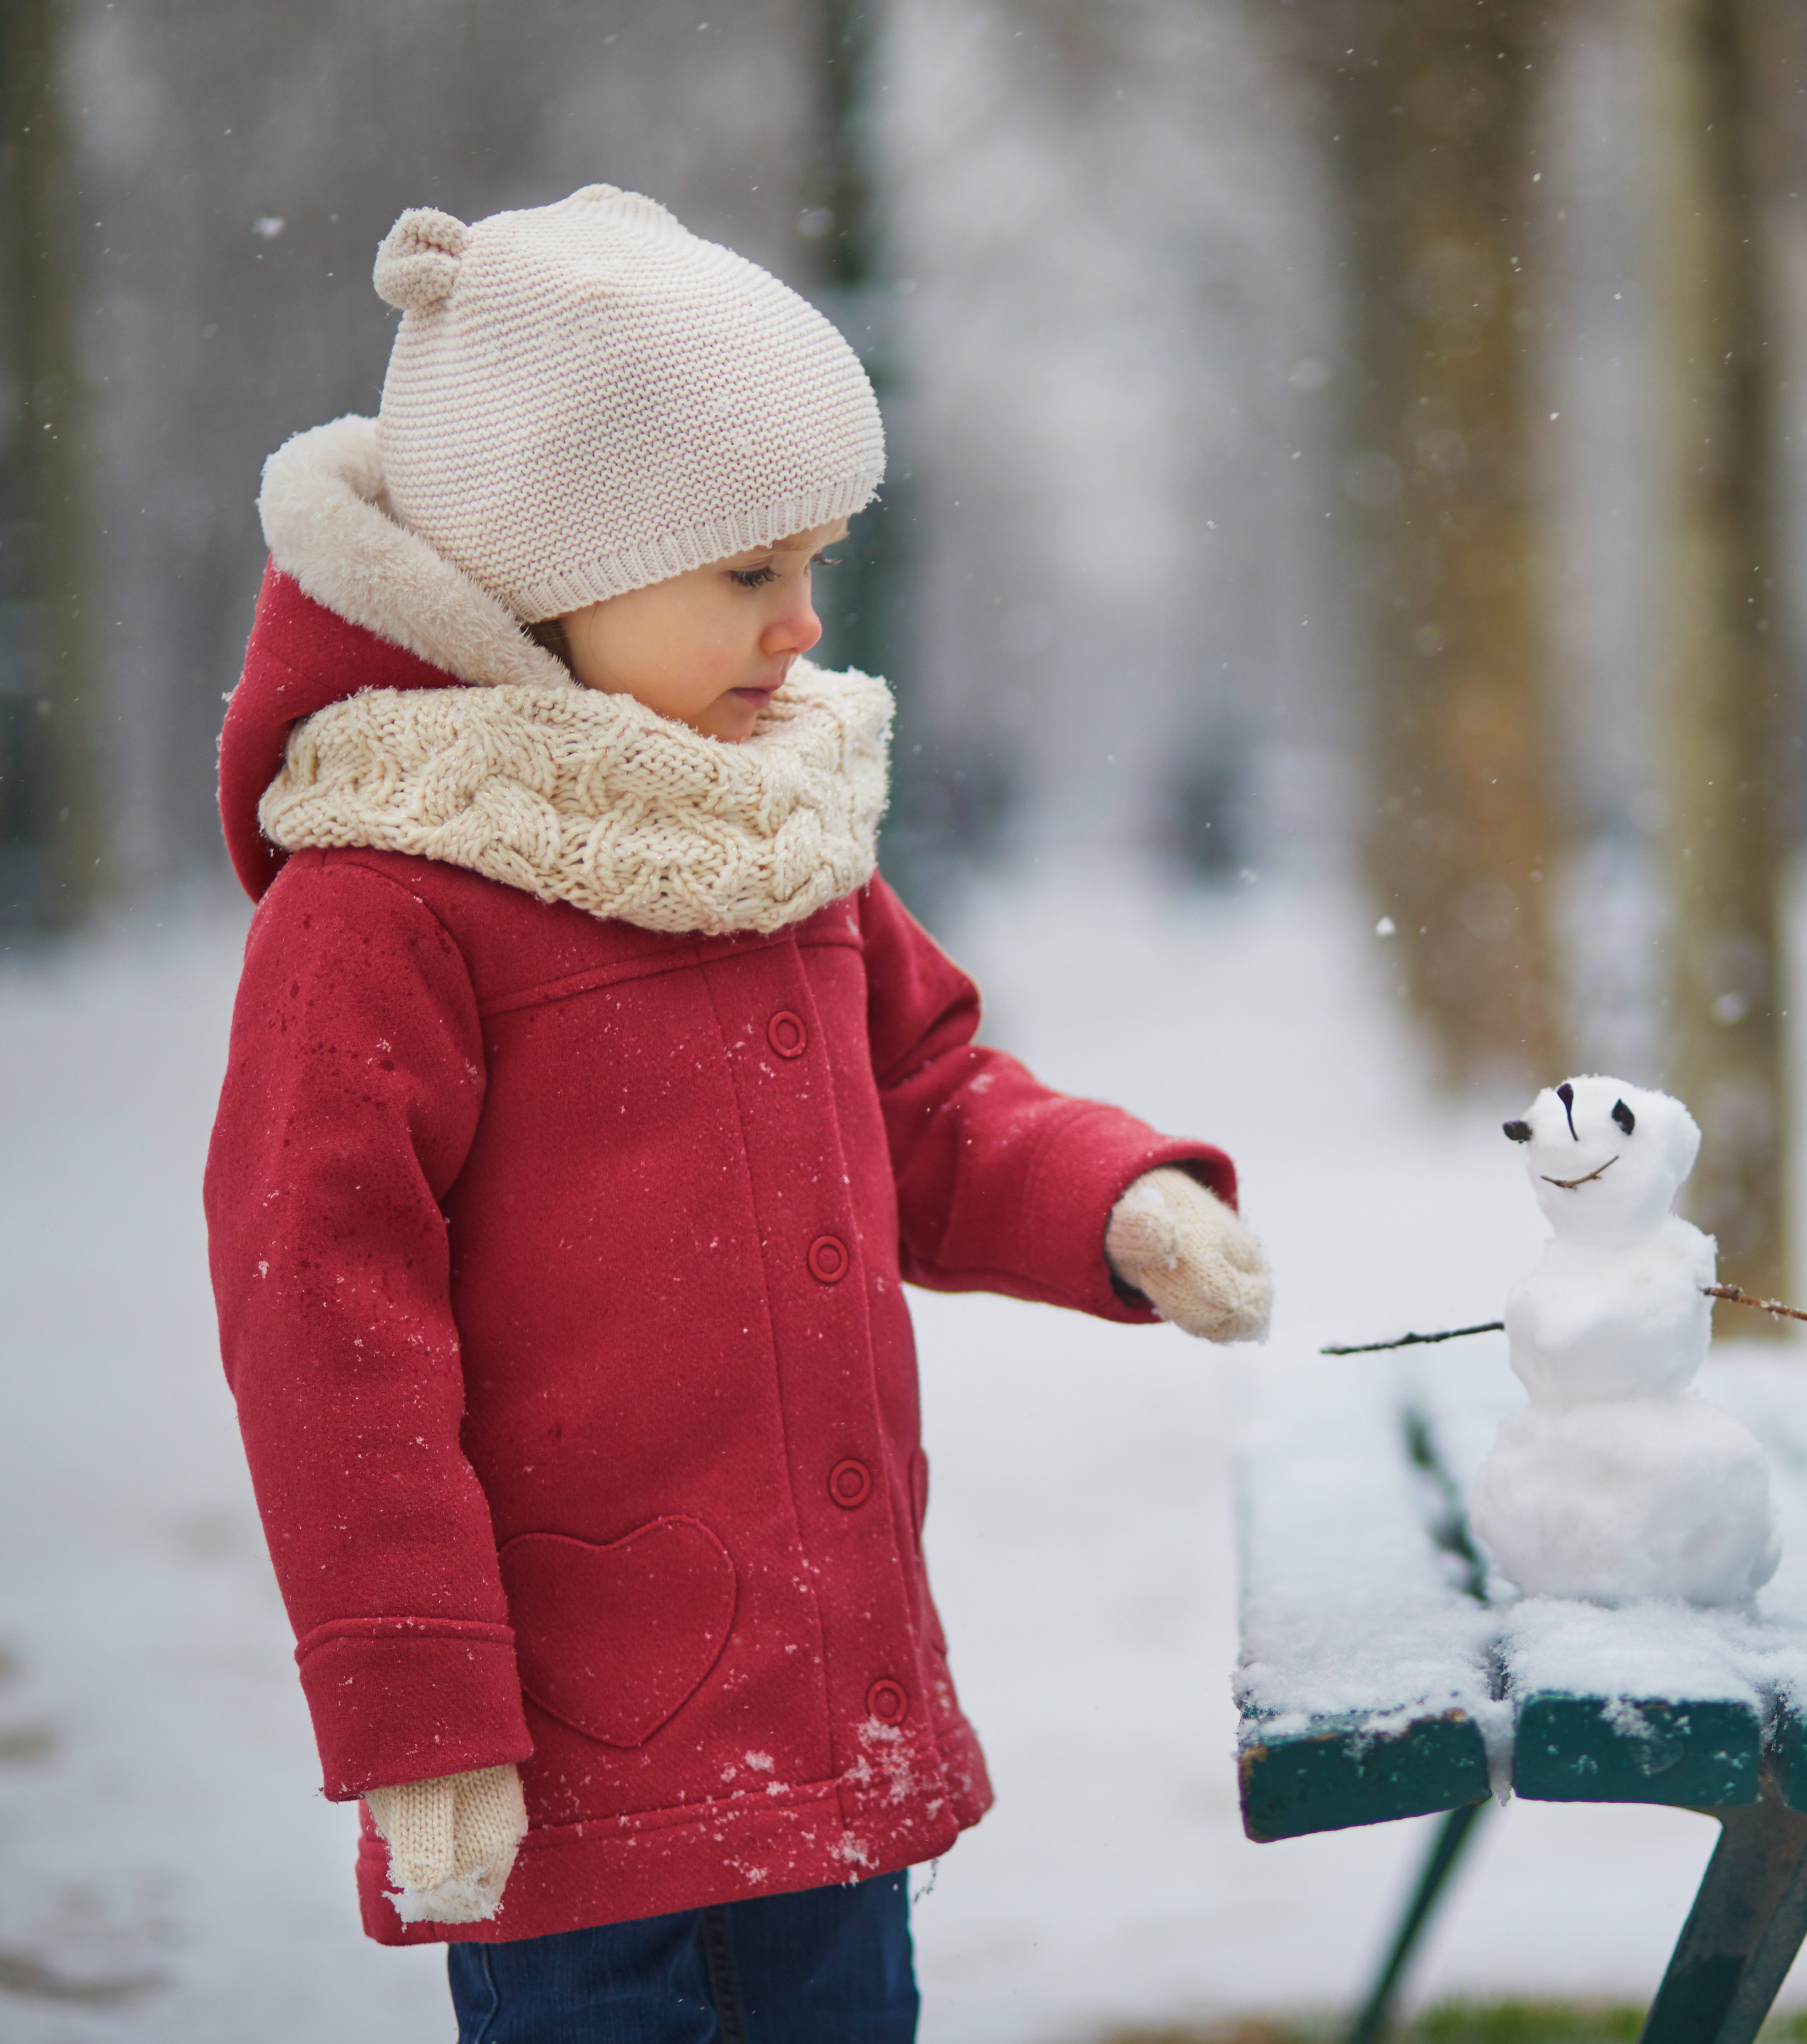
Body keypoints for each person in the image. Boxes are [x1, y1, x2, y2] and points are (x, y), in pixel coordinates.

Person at [203, 184, 1271, 2041]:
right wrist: (416, 1701)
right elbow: (328, 1319)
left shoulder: (769, 831)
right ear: (546, 571)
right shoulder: (382, 904)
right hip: (585, 1759)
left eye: (816, 560)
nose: (804, 624)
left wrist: (1113, 1199)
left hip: (826, 1720)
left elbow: (922, 1097)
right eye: (747, 574)